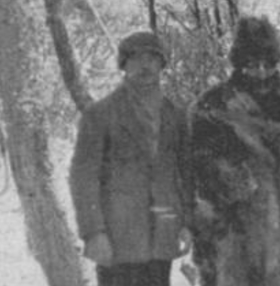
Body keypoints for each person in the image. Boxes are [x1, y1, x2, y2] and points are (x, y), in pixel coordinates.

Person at [189, 16, 280, 286]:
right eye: (251, 65)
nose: (260, 72)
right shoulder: (215, 104)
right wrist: (236, 179)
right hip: (236, 224)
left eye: (267, 64)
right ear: (239, 63)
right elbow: (197, 161)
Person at [70, 30, 193, 286]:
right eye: (135, 59)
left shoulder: (175, 115)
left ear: (162, 64)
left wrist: (186, 223)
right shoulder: (100, 115)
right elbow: (83, 178)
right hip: (118, 241)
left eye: (152, 58)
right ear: (123, 66)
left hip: (162, 235)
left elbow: (186, 174)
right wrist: (94, 233)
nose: (145, 65)